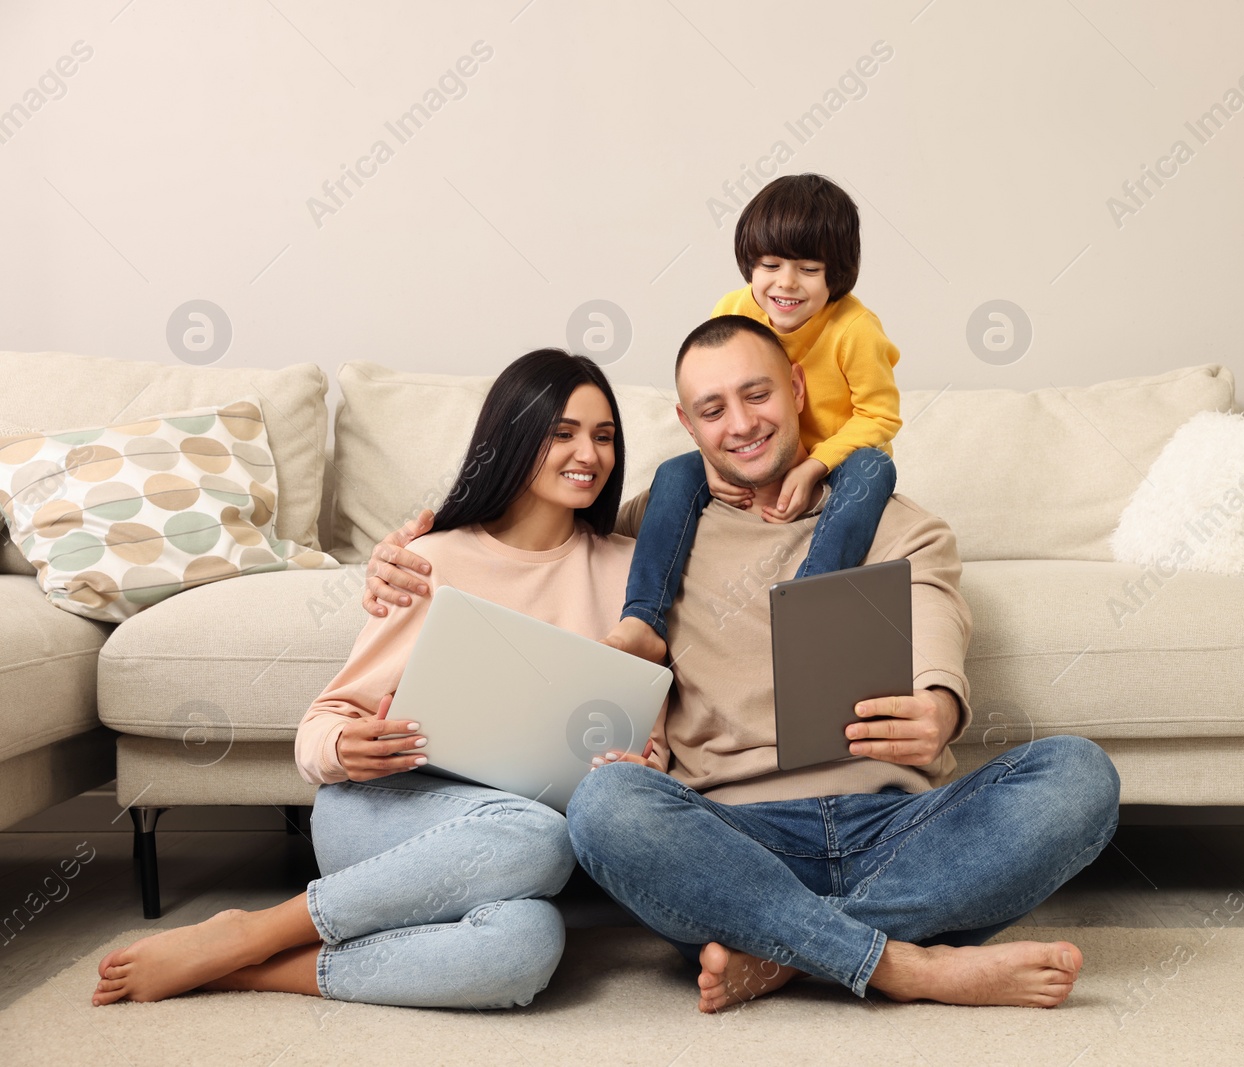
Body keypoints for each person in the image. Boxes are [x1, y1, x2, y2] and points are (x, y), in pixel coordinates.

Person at [365, 317, 1122, 1012]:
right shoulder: (646, 535)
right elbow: (533, 548)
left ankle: (789, 954)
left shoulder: (900, 523)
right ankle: (905, 965)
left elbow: (935, 617)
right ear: (687, 424)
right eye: (714, 408)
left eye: (757, 394)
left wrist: (940, 706)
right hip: (729, 838)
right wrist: (408, 552)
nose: (742, 423)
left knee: (1080, 774)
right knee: (606, 805)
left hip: (899, 823)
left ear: (796, 389)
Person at [91, 349, 634, 1009]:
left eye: (604, 436)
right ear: (515, 436)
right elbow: (321, 726)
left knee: (524, 949)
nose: (590, 453)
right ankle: (255, 931)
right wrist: (348, 746)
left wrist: (637, 762)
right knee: (540, 838)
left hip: (518, 842)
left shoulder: (633, 570)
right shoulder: (429, 561)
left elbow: (647, 729)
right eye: (563, 432)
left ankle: (245, 965)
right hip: (388, 811)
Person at [603, 173, 903, 665]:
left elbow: (880, 415)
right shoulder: (733, 310)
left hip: (836, 456)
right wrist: (710, 461)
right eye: (770, 265)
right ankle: (643, 617)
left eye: (808, 269)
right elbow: (708, 398)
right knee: (673, 474)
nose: (786, 283)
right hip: (755, 457)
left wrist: (815, 466)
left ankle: (809, 602)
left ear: (838, 274)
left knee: (875, 469)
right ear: (750, 265)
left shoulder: (855, 330)